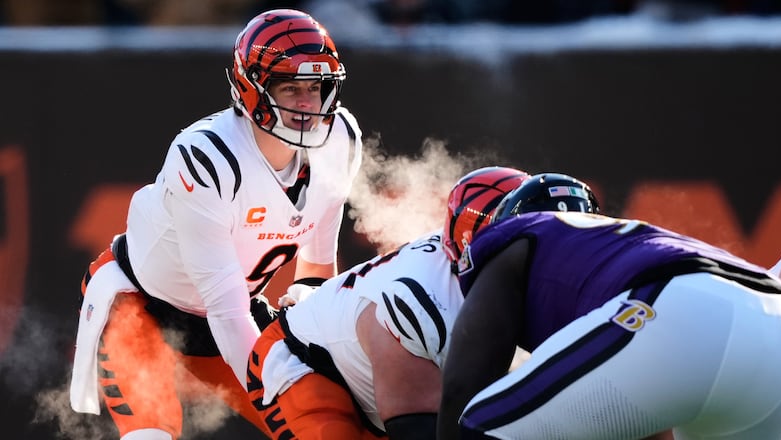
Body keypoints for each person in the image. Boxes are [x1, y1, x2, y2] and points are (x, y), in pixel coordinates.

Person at [69, 8, 362, 440]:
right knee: (151, 436)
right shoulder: (208, 158)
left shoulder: (340, 139)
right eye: (290, 87)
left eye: (315, 88)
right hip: (142, 305)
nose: (306, 103)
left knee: (332, 428)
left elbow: (316, 273)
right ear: (253, 90)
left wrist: (321, 370)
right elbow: (226, 313)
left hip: (232, 310)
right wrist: (279, 385)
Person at [437, 173, 781, 440]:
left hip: (682, 312)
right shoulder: (622, 243)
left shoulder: (511, 239)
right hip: (778, 331)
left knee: (479, 427)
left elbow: (462, 386)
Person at [245, 166, 531, 439]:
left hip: (377, 396)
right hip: (308, 365)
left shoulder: (471, 276)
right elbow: (416, 427)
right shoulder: (423, 299)